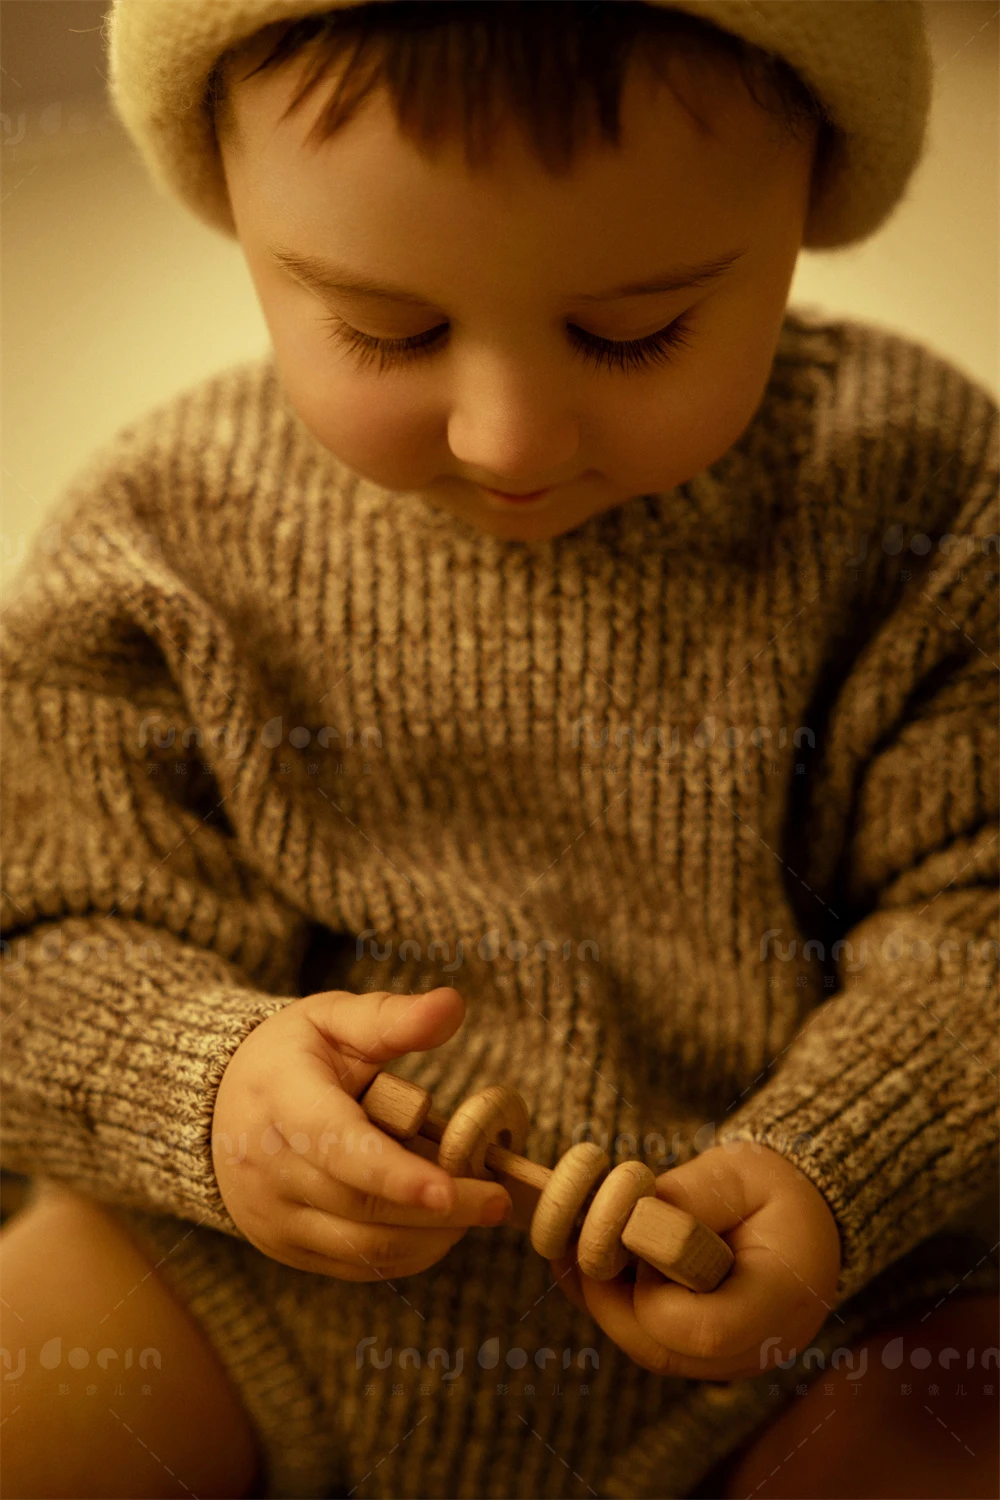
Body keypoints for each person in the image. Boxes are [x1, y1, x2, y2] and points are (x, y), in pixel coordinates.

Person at [1, 3, 997, 1497]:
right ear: (230, 192)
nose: (510, 438)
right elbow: (35, 930)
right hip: (236, 1281)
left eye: (633, 327)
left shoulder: (916, 495)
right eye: (388, 330)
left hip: (824, 1308)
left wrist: (833, 1175)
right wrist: (198, 1090)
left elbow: (976, 921)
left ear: (810, 199)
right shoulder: (163, 538)